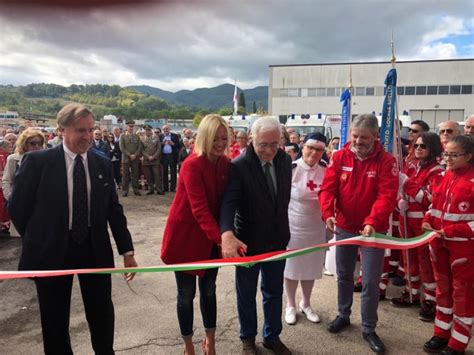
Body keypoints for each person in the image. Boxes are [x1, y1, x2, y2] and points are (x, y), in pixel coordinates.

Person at [7, 103, 137, 354]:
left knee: (101, 314)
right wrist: (38, 238)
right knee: (54, 320)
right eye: (81, 131)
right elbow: (18, 207)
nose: (88, 137)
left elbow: (113, 210)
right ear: (61, 130)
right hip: (53, 251)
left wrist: (127, 250)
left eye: (91, 130)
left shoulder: (101, 164)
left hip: (93, 248)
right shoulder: (37, 162)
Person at [319, 113, 398, 354]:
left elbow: (387, 195)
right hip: (344, 227)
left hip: (373, 230)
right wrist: (327, 213)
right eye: (355, 136)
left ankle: (369, 327)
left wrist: (372, 221)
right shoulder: (340, 156)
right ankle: (343, 314)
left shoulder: (386, 161)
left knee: (371, 280)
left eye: (364, 137)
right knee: (343, 275)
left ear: (375, 136)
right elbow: (327, 188)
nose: (358, 141)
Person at [220, 117, 292, 355]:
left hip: (277, 240)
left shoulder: (283, 160)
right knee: (247, 294)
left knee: (274, 291)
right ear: (252, 139)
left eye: (274, 143)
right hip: (248, 242)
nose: (269, 150)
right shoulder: (239, 165)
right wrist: (227, 233)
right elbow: (229, 203)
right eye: (263, 145)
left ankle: (272, 336)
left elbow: (282, 200)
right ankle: (248, 339)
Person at [161, 114, 231, 355]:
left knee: (209, 290)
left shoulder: (225, 164)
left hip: (211, 238)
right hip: (187, 240)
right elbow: (199, 209)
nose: (220, 144)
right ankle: (188, 343)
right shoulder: (192, 164)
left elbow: (226, 205)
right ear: (204, 137)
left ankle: (210, 340)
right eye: (215, 139)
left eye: (224, 138)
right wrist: (223, 239)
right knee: (186, 293)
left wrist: (226, 235)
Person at [422, 135, 474, 355]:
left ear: (469, 156)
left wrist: (451, 231)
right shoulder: (443, 176)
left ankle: (458, 342)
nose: (448, 159)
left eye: (454, 155)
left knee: (462, 295)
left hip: (463, 248)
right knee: (443, 291)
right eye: (446, 154)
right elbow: (435, 205)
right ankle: (441, 332)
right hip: (438, 243)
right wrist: (427, 219)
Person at [390, 132, 444, 322]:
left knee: (425, 262)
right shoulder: (413, 167)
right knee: (408, 259)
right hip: (406, 220)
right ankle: (411, 292)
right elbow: (400, 191)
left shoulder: (437, 171)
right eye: (417, 146)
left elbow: (428, 198)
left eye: (423, 146)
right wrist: (399, 201)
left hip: (422, 224)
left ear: (433, 149)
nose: (418, 149)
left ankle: (430, 299)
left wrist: (408, 184)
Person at [284, 133, 327, 326]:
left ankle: (306, 303)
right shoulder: (291, 169)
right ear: (304, 147)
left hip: (316, 226)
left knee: (311, 267)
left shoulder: (326, 170)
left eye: (318, 149)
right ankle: (290, 305)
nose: (314, 152)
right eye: (310, 148)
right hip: (293, 225)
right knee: (292, 267)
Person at [2, 128, 46, 237]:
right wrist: (12, 198)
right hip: (20, 205)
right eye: (33, 143)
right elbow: (7, 181)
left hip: (40, 207)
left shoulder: (46, 159)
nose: (36, 146)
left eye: (39, 143)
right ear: (24, 144)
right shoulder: (13, 159)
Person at [120, 120, 142, 196]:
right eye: (129, 126)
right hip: (126, 158)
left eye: (132, 126)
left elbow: (139, 147)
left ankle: (136, 189)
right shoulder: (122, 136)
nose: (131, 128)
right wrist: (130, 155)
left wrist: (135, 155)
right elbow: (122, 148)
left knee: (135, 174)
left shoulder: (137, 136)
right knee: (125, 175)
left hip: (135, 158)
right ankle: (125, 190)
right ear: (126, 127)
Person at [141, 125, 164, 195]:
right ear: (144, 132)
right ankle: (151, 189)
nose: (148, 132)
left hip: (155, 160)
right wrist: (148, 156)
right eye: (146, 130)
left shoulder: (156, 138)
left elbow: (159, 149)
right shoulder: (141, 139)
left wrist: (154, 156)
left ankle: (159, 189)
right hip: (146, 160)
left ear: (151, 131)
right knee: (148, 176)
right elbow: (141, 150)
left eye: (149, 130)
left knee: (157, 175)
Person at [160, 124, 181, 192]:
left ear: (169, 129)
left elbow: (179, 145)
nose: (165, 130)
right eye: (164, 129)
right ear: (162, 130)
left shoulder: (175, 136)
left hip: (172, 155)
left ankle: (172, 188)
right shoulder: (160, 136)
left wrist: (173, 144)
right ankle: (165, 188)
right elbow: (157, 146)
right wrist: (162, 143)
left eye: (167, 129)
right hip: (164, 156)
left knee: (173, 172)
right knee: (164, 172)